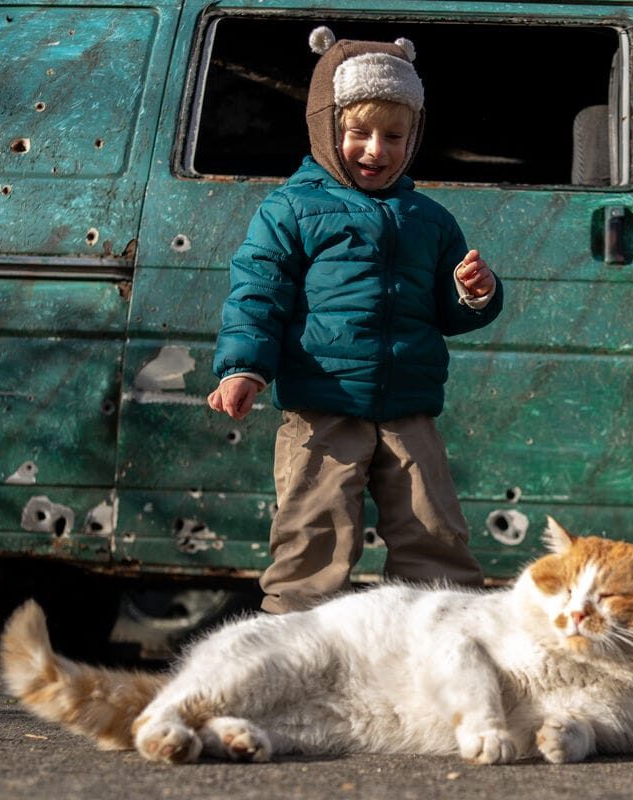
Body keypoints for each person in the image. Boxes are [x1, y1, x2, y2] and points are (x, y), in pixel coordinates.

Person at [207, 26, 503, 614]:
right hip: (324, 406)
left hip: (409, 411)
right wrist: (243, 368)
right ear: (326, 128)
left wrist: (475, 293)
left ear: (413, 136)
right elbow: (258, 294)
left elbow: (448, 312)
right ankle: (292, 658)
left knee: (435, 537)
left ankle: (443, 649)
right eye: (358, 133)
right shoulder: (291, 208)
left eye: (394, 136)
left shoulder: (430, 219)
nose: (377, 150)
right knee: (312, 541)